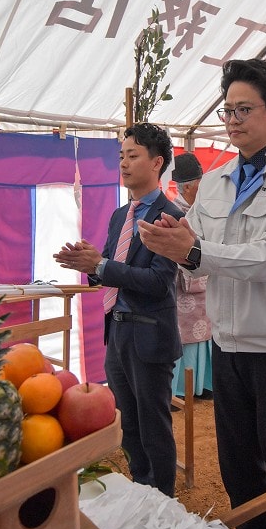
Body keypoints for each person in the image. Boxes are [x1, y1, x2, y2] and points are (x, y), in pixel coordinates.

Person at [138, 59, 266, 529]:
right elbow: (198, 253)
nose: (233, 119)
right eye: (227, 110)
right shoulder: (218, 181)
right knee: (238, 467)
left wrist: (195, 249)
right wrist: (178, 240)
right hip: (229, 344)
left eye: (244, 108)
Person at [53, 122, 183, 498]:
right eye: (121, 156)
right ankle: (140, 488)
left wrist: (102, 267)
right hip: (118, 329)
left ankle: (162, 499)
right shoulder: (119, 215)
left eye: (133, 155)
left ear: (157, 163)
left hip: (150, 335)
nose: (123, 164)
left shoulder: (168, 215)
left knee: (153, 423)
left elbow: (159, 280)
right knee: (127, 423)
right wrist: (90, 266)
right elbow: (111, 269)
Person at [171, 153, 212, 399]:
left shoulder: (202, 210)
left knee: (207, 332)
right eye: (199, 183)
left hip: (206, 281)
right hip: (184, 284)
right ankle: (182, 388)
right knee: (186, 335)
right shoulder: (174, 212)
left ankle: (204, 384)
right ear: (187, 186)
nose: (203, 187)